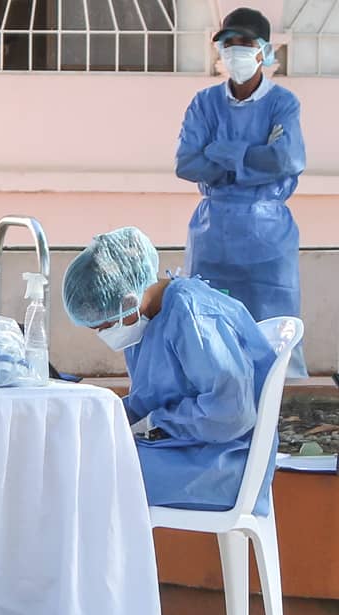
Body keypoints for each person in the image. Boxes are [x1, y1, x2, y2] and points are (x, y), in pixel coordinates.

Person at [63, 227, 279, 515]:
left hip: (221, 465)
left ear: (128, 302)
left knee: (85, 474)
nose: (103, 333)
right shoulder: (147, 321)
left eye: (103, 326)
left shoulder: (192, 313)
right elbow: (149, 401)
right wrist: (102, 416)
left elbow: (231, 413)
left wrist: (160, 424)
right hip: (186, 451)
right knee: (72, 458)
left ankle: (103, 562)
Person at [175, 7, 307, 376]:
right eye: (228, 43)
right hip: (212, 234)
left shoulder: (283, 103)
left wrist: (222, 151)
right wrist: (254, 157)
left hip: (268, 238)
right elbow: (187, 163)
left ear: (264, 51)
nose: (235, 51)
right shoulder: (204, 104)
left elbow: (288, 159)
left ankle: (276, 418)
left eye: (245, 43)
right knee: (209, 331)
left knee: (274, 333)